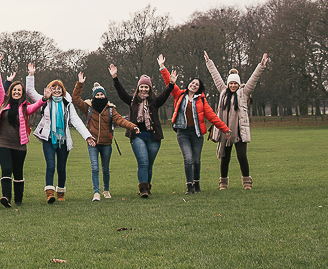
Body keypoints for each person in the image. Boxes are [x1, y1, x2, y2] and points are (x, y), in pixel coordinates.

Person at [157, 55, 230, 194]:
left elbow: (213, 117)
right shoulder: (179, 94)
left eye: (197, 84)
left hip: (196, 134)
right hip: (183, 133)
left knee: (196, 160)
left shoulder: (202, 100)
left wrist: (225, 129)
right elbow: (169, 82)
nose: (194, 85)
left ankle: (197, 184)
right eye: (192, 83)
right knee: (188, 158)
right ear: (188, 84)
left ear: (199, 88)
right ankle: (189, 186)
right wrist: (162, 67)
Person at [26, 63, 95, 203]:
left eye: (59, 89)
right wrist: (31, 75)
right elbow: (30, 91)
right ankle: (50, 193)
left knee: (61, 168)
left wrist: (87, 136)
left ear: (62, 91)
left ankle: (61, 192)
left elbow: (76, 120)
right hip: (48, 139)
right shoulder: (45, 101)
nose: (56, 91)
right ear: (49, 90)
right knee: (50, 165)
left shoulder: (67, 104)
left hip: (63, 140)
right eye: (53, 88)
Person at [203, 51, 270, 190]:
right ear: (228, 84)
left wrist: (261, 65)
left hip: (239, 133)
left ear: (239, 84)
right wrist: (209, 62)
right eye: (231, 83)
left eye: (235, 83)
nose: (233, 86)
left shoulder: (244, 93)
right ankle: (223, 183)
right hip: (225, 132)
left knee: (242, 157)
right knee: (224, 158)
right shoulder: (223, 91)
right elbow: (215, 76)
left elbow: (254, 78)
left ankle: (247, 182)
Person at [71, 73, 139, 200]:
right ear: (94, 96)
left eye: (102, 94)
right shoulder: (88, 108)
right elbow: (75, 99)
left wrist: (132, 126)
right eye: (97, 94)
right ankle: (96, 192)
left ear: (105, 95)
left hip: (107, 144)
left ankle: (106, 191)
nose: (100, 96)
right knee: (95, 168)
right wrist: (79, 84)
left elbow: (120, 120)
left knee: (106, 169)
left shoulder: (110, 109)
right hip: (93, 143)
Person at [111, 62, 174, 198]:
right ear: (138, 88)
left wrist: (171, 84)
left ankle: (147, 187)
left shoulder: (155, 102)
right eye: (142, 87)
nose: (144, 89)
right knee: (143, 162)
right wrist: (115, 77)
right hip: (137, 136)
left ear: (149, 88)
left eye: (146, 87)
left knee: (149, 164)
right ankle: (143, 189)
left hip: (153, 137)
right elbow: (121, 93)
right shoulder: (132, 100)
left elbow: (165, 94)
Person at [0, 55, 45, 207]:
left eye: (19, 90)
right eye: (14, 90)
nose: (16, 92)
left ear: (22, 93)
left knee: (18, 172)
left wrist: (44, 98)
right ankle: (6, 198)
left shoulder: (26, 107)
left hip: (20, 146)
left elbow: (36, 106)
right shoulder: (4, 103)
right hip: (4, 144)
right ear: (11, 91)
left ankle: (18, 200)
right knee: (6, 170)